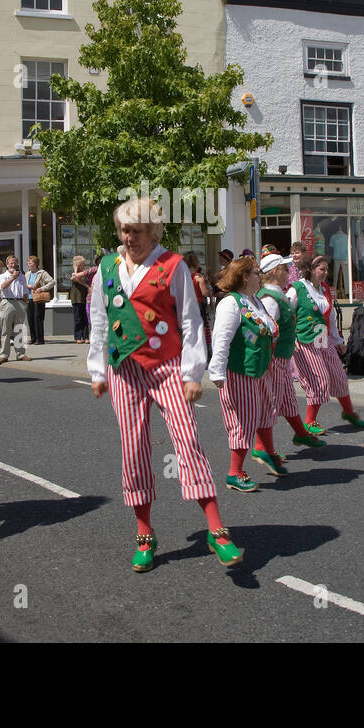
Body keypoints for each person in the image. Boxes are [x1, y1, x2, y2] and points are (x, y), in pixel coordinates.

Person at [87, 198, 242, 572]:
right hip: (125, 369)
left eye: (136, 231)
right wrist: (97, 370)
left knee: (187, 442)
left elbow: (190, 322)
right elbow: (99, 320)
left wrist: (193, 373)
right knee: (134, 449)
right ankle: (144, 533)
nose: (129, 237)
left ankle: (216, 530)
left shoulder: (171, 267)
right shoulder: (106, 268)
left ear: (153, 231)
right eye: (124, 230)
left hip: (168, 367)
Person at [207, 254, 279, 492]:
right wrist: (217, 372)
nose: (260, 276)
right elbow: (221, 339)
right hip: (240, 372)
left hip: (260, 371)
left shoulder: (255, 301)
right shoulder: (231, 303)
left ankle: (267, 454)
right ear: (245, 277)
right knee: (243, 421)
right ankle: (234, 473)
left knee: (265, 413)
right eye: (257, 273)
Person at [256, 246, 324, 453]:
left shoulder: (277, 293)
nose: (288, 272)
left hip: (282, 358)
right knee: (271, 405)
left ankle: (301, 434)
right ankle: (261, 449)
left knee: (287, 401)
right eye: (285, 269)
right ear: (276, 271)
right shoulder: (270, 297)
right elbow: (265, 330)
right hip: (274, 359)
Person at [288, 253, 364, 432]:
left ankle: (349, 412)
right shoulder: (297, 288)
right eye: (321, 269)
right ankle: (309, 422)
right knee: (319, 379)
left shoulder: (324, 289)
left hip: (324, 338)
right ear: (311, 270)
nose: (325, 272)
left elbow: (329, 316)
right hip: (305, 340)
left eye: (326, 269)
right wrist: (290, 338)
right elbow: (285, 314)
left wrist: (337, 340)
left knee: (339, 376)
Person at [0, 254, 31, 364]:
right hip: (7, 302)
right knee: (6, 329)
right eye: (11, 263)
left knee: (20, 328)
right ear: (7, 265)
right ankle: (4, 354)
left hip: (19, 302)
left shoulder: (21, 276)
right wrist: (13, 277)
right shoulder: (3, 276)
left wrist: (26, 301)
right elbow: (3, 287)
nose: (13, 265)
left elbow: (25, 291)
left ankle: (21, 353)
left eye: (15, 263)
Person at [25, 254, 54, 345]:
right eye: (28, 263)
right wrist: (28, 286)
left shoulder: (42, 273)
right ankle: (33, 338)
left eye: (30, 263)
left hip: (39, 299)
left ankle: (40, 339)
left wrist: (41, 288)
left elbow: (52, 282)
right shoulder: (27, 274)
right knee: (30, 319)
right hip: (29, 298)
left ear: (35, 264)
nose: (28, 264)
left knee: (38, 318)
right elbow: (25, 284)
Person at [69, 255, 96, 343]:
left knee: (85, 318)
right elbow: (74, 278)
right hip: (77, 298)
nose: (84, 265)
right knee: (78, 318)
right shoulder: (74, 273)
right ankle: (78, 337)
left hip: (85, 298)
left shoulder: (84, 273)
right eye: (82, 264)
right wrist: (76, 269)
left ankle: (85, 336)